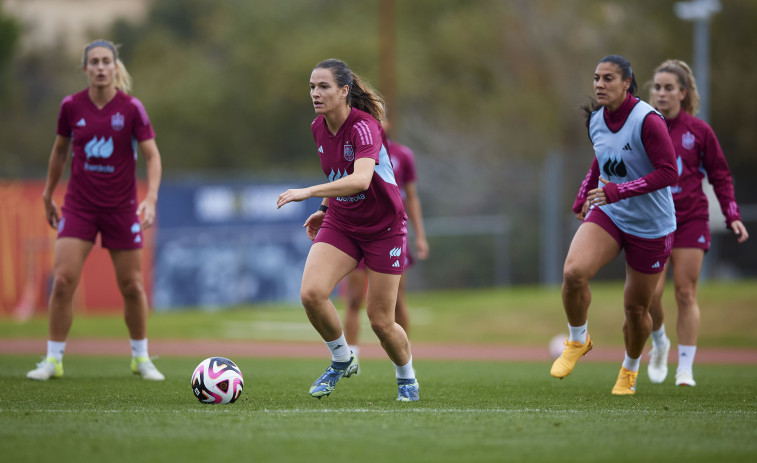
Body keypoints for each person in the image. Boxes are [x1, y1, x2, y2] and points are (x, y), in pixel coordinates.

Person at [277, 58, 419, 401]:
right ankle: (341, 358)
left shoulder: (365, 126)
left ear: (344, 91)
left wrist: (308, 193)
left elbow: (360, 179)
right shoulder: (318, 127)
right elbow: (337, 175)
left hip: (384, 228)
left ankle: (407, 377)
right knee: (311, 294)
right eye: (312, 86)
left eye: (323, 86)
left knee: (381, 321)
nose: (315, 93)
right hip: (343, 222)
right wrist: (323, 209)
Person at [26, 40, 164, 381]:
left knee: (132, 286)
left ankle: (141, 358)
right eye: (94, 62)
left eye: (106, 61)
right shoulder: (71, 106)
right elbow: (60, 153)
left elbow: (152, 156)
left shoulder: (131, 108)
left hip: (121, 208)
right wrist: (47, 194)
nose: (101, 67)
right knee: (62, 282)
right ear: (85, 68)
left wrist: (151, 199)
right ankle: (53, 360)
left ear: (115, 67)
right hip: (80, 206)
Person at [550, 55, 678, 395]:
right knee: (574, 273)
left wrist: (617, 190)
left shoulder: (647, 120)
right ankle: (578, 341)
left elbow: (668, 172)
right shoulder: (595, 119)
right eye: (596, 78)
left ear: (627, 83)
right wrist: (583, 195)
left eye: (608, 79)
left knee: (637, 310)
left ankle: (629, 369)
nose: (599, 85)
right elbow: (601, 160)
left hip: (651, 226)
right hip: (611, 214)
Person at [646, 59, 749, 387]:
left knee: (685, 292)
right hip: (653, 221)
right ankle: (660, 341)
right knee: (649, 295)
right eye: (657, 87)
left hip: (691, 218)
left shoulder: (699, 131)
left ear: (683, 93)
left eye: (668, 88)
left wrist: (732, 214)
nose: (661, 93)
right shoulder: (644, 126)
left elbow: (720, 174)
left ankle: (686, 368)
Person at [343, 119, 429, 360]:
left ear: (388, 123)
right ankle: (351, 357)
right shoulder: (353, 151)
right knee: (354, 299)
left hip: (390, 234)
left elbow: (411, 197)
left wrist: (420, 236)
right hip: (360, 232)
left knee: (397, 301)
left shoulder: (403, 155)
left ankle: (403, 355)